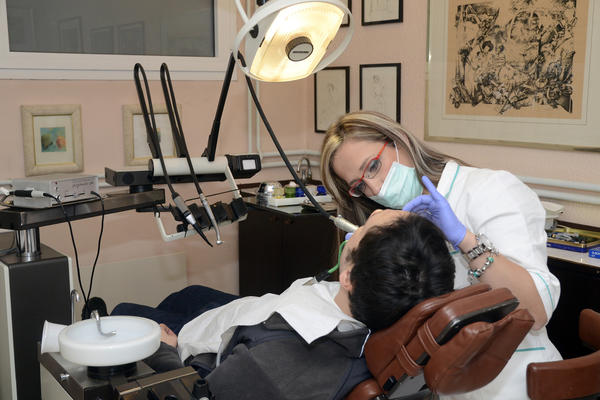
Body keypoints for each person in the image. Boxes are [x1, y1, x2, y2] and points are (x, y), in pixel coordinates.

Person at [320, 110, 562, 399]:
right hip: (442, 386)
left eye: (373, 166)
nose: (375, 188)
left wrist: (464, 239)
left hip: (515, 382)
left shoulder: (489, 189)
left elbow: (536, 311)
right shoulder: (390, 222)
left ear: (399, 141)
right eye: (360, 186)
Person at [112, 210, 455, 400]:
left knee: (120, 313)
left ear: (349, 277)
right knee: (187, 294)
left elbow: (199, 393)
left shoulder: (276, 364)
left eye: (363, 228)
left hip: (200, 344)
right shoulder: (383, 299)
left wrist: (167, 356)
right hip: (252, 312)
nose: (370, 216)